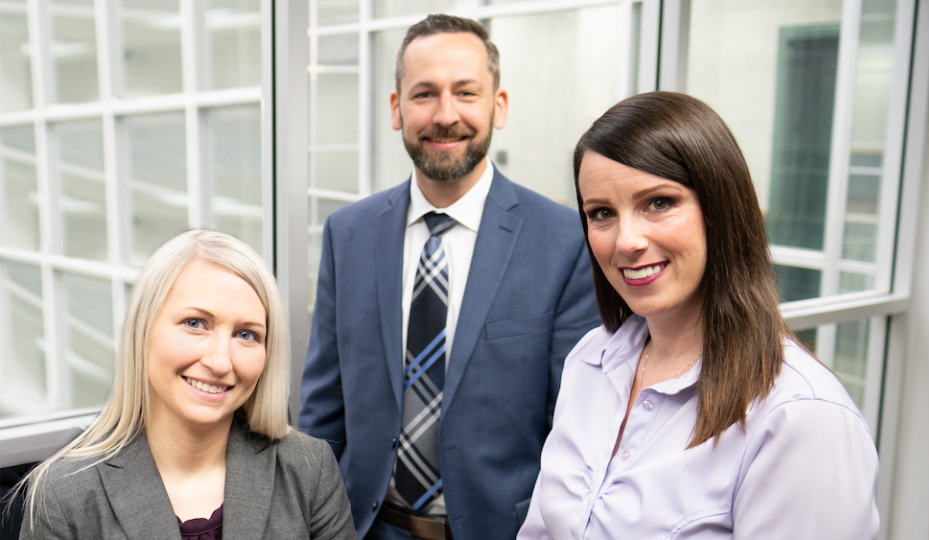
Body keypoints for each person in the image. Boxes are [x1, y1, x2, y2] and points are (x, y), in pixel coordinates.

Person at [517, 92, 880, 539]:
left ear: (720, 209)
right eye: (602, 213)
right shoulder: (590, 361)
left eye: (659, 202)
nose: (626, 241)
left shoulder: (800, 416)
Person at [298, 13, 599, 540]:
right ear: (396, 109)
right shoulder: (347, 235)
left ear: (497, 106)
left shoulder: (565, 242)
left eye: (466, 92)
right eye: (424, 94)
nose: (445, 114)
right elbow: (323, 414)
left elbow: (574, 434)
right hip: (363, 530)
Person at [15, 229, 356, 540]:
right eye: (195, 323)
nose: (220, 362)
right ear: (143, 331)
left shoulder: (309, 469)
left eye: (246, 334)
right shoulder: (64, 494)